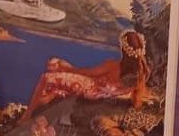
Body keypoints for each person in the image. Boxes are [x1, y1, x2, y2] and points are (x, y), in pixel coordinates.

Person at [23, 30, 151, 121]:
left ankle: (27, 115)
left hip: (89, 89)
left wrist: (66, 67)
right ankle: (52, 96)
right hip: (100, 93)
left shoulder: (113, 65)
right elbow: (137, 101)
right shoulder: (141, 75)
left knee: (48, 77)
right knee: (57, 74)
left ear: (123, 48)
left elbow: (86, 73)